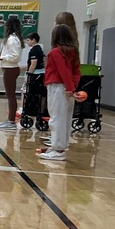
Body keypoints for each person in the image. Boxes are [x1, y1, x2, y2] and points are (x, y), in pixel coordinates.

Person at [38, 24, 81, 161]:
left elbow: (63, 71)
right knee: (65, 118)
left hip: (57, 87)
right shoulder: (74, 51)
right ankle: (60, 146)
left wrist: (69, 88)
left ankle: (58, 149)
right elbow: (76, 72)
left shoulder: (55, 52)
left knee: (56, 118)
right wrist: (72, 87)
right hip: (68, 88)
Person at [0, 15, 22, 129]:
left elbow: (15, 56)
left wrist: (1, 58)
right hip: (9, 68)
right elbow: (9, 54)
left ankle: (11, 121)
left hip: (11, 69)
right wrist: (1, 56)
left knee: (11, 96)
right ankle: (10, 120)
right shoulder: (11, 39)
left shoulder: (12, 39)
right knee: (9, 95)